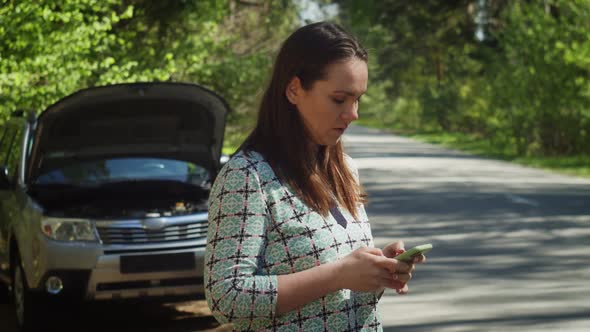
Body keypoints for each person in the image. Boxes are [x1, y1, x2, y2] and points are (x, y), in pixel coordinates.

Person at [204, 21, 426, 332]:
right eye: (339, 99)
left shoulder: (345, 169)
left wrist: (378, 269)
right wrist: (339, 275)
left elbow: (342, 280)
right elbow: (227, 299)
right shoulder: (246, 177)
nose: (353, 114)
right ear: (294, 90)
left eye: (357, 99)